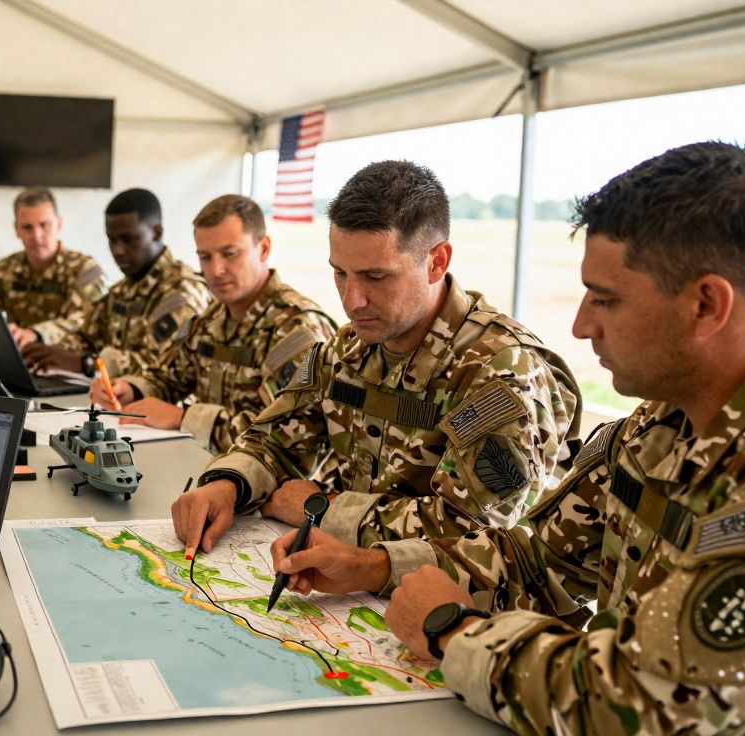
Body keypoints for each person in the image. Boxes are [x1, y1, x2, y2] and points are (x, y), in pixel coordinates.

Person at [270, 143, 745, 734]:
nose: (581, 326)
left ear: (706, 305)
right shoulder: (662, 419)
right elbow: (542, 560)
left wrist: (453, 631)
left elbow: (640, 708)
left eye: (606, 299)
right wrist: (373, 565)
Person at [172, 160, 581, 560]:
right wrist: (227, 484)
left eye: (376, 277)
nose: (352, 301)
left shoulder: (501, 373)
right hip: (348, 589)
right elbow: (274, 440)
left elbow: (476, 537)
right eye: (340, 274)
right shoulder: (347, 348)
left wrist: (325, 511)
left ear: (437, 261)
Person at [89, 195, 336, 453]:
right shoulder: (212, 317)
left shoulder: (296, 329)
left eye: (229, 254)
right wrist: (131, 389)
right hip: (204, 467)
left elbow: (285, 435)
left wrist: (184, 418)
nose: (216, 270)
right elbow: (170, 376)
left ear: (263, 249)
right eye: (205, 257)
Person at [22, 188, 211, 377]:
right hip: (112, 402)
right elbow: (86, 337)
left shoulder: (182, 293)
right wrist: (47, 354)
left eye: (129, 239)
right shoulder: (122, 290)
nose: (118, 250)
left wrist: (86, 364)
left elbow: (163, 365)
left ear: (156, 232)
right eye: (112, 240)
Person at [0, 187, 107, 347]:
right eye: (27, 227)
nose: (37, 236)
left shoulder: (83, 271)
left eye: (44, 225)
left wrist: (37, 334)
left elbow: (91, 321)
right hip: (16, 360)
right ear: (16, 229)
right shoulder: (3, 271)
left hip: (68, 364)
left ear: (59, 224)